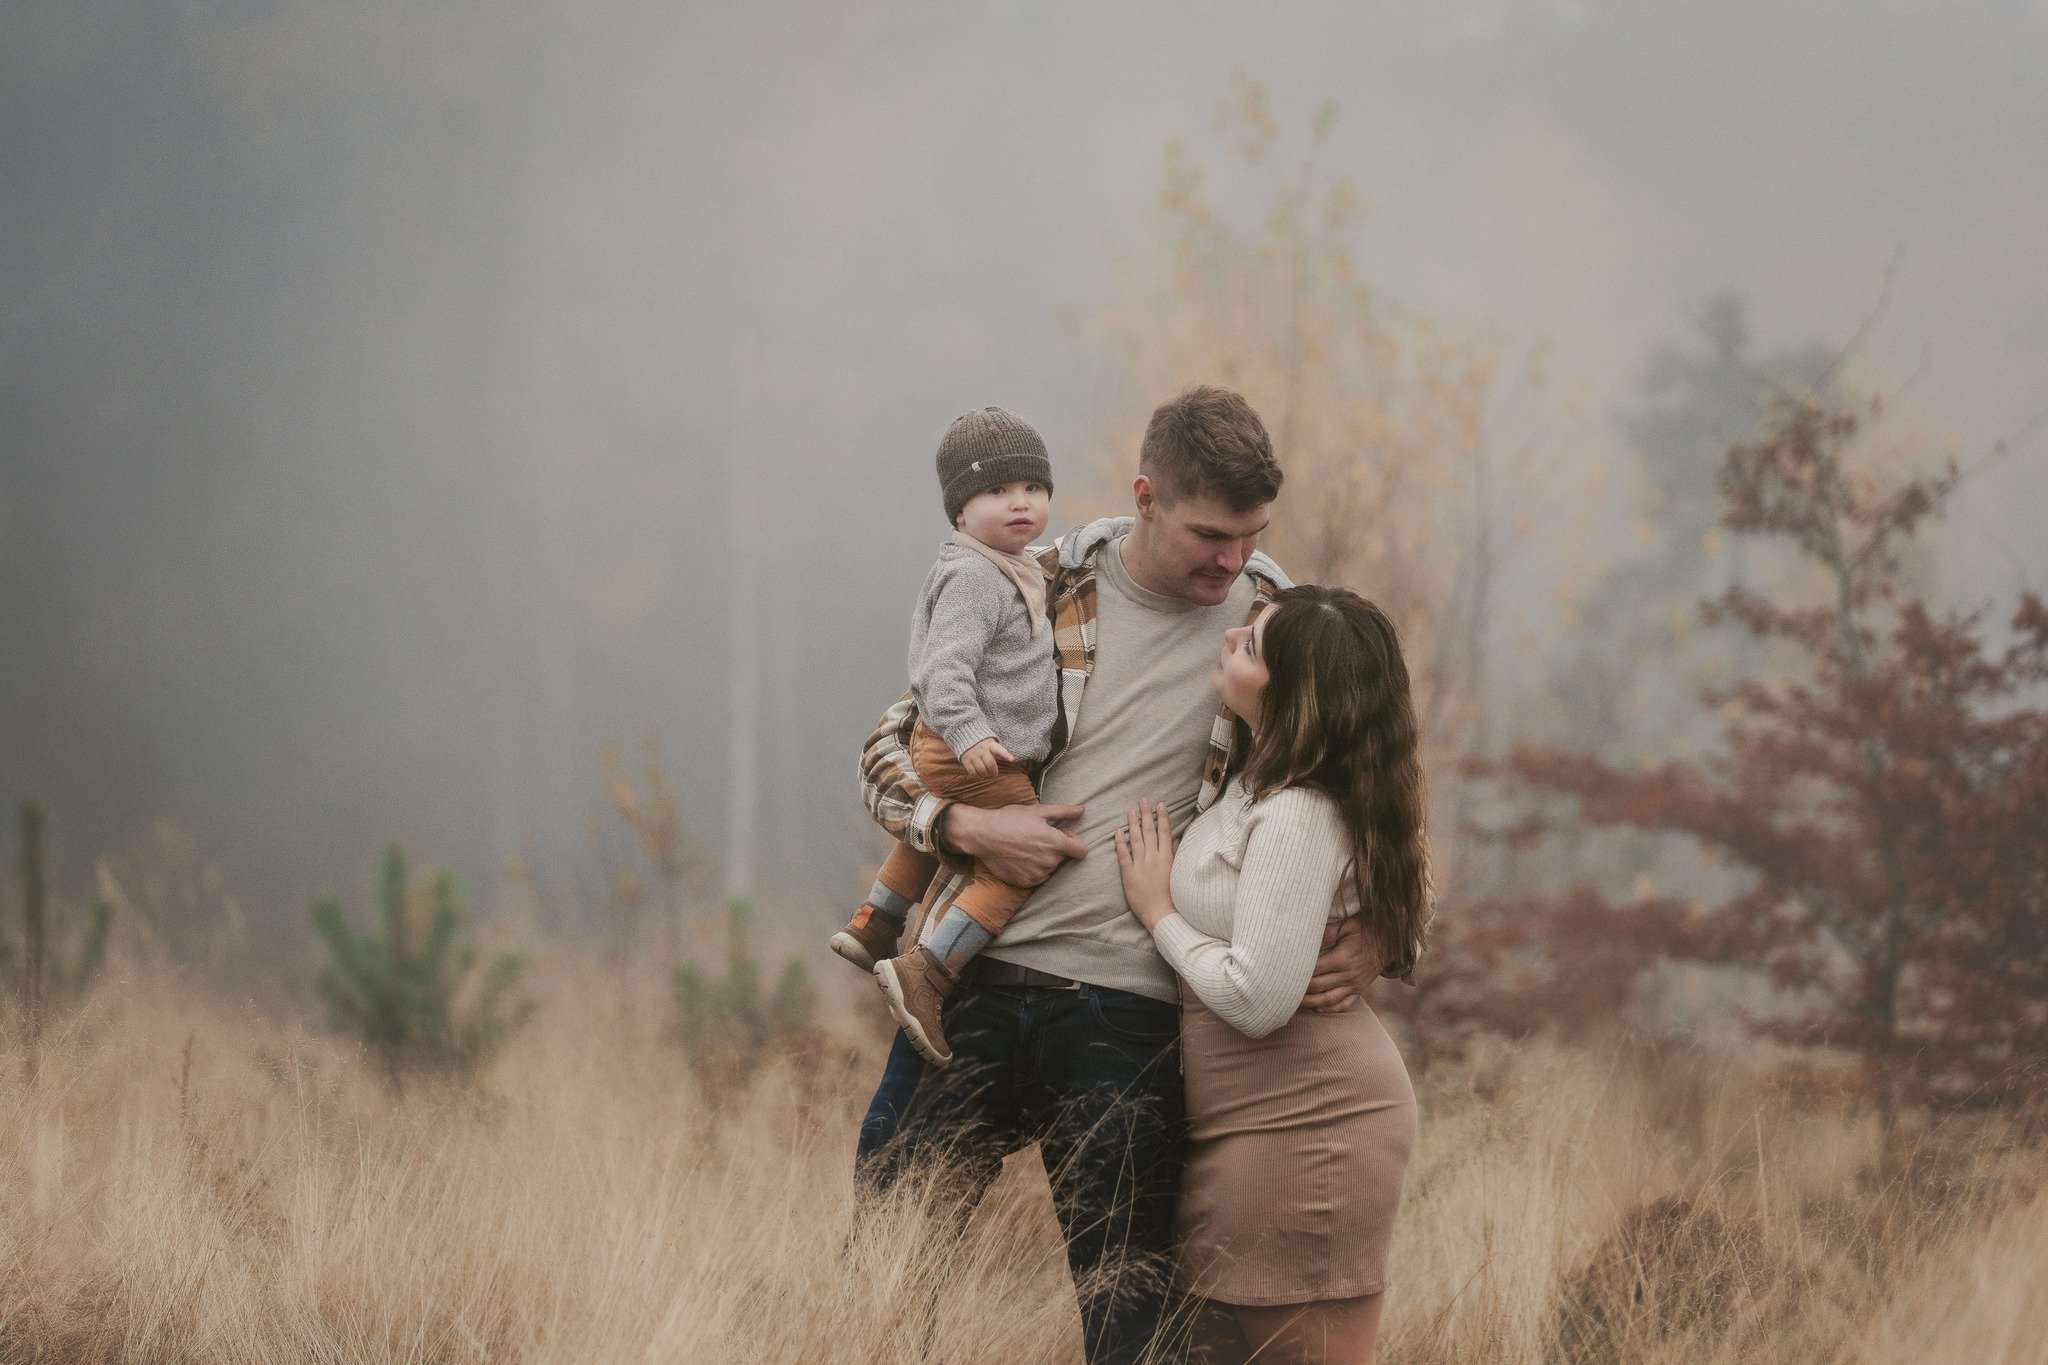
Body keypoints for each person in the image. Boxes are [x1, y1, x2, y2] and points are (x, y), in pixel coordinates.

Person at [852, 386, 1385, 1365]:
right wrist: (958, 818)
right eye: (1208, 535)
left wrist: (1388, 929)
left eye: (1249, 535)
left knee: (1133, 1328)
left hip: (1130, 1016)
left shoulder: (1271, 627)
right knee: (885, 1268)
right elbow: (886, 749)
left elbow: (1369, 784)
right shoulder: (1024, 585)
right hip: (965, 987)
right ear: (1145, 497)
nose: (1229, 560)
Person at [1116, 585, 1430, 1365]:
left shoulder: (1297, 814)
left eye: (1251, 646)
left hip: (1313, 1127)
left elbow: (1258, 998)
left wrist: (1160, 914)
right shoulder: (1261, 778)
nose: (1230, 640)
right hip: (1240, 1130)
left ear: (1295, 696)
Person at [828, 406, 1062, 1067]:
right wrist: (969, 733)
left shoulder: (1004, 564)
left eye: (1033, 489)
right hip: (973, 750)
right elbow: (941, 666)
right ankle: (927, 969)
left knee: (935, 841)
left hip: (960, 746)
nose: (1019, 503)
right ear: (960, 510)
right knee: (1024, 858)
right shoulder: (977, 576)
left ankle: (875, 921)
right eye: (996, 491)